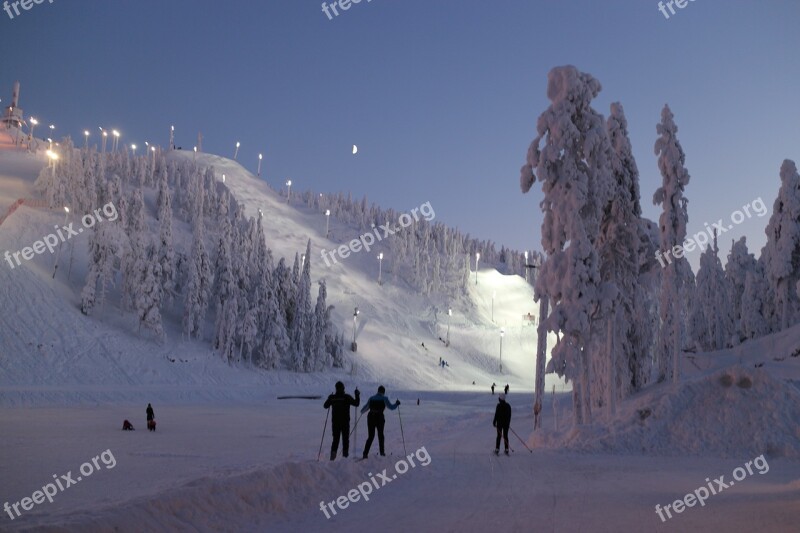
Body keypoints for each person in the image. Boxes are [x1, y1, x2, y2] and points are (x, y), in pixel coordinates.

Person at [323, 381, 360, 460]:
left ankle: (332, 458)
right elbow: (357, 403)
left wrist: (329, 398)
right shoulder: (346, 397)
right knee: (345, 440)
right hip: (345, 422)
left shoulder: (333, 398)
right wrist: (357, 395)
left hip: (335, 423)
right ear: (343, 388)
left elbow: (325, 406)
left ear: (336, 388)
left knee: (335, 440)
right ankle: (345, 458)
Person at [361, 385, 400, 458]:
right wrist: (396, 404)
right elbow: (391, 407)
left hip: (370, 418)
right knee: (380, 435)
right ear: (383, 392)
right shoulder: (384, 398)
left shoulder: (371, 398)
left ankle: (365, 454)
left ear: (378, 391)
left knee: (370, 436)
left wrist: (362, 411)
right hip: (379, 418)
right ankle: (382, 453)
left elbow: (364, 409)